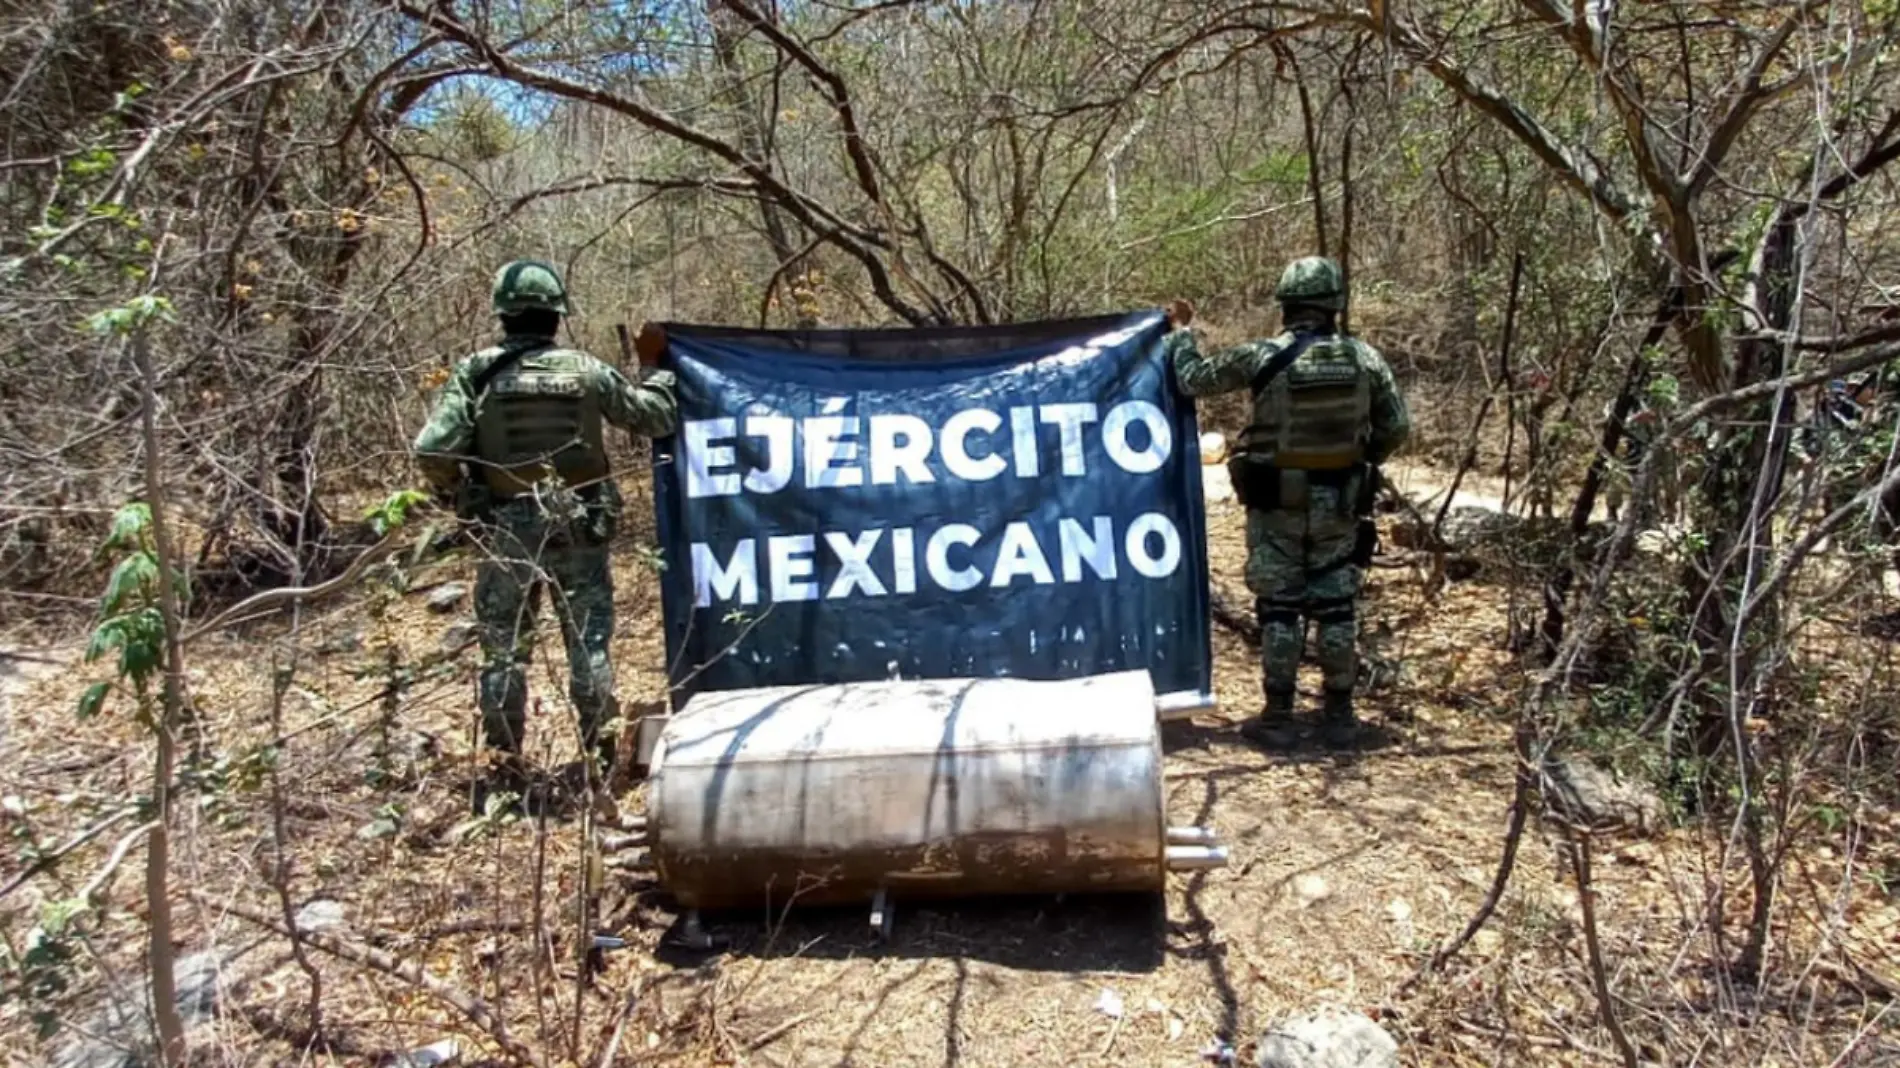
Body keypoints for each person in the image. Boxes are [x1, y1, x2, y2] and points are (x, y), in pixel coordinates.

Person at [412, 259, 676, 794]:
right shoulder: (586, 369)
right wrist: (659, 369)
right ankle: (602, 767)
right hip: (577, 525)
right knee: (589, 645)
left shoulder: (476, 372)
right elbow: (656, 418)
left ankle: (504, 769)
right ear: (557, 315)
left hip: (505, 528)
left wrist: (462, 494)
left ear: (503, 315)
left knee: (504, 651)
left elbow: (432, 448)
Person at [1164, 256, 1411, 747]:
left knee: (1280, 609)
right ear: (1335, 305)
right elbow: (1396, 426)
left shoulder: (1263, 355)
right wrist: (1360, 462)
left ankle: (1278, 717)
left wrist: (1181, 335)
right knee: (1337, 607)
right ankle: (1340, 717)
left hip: (1276, 504)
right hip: (1341, 502)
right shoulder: (1366, 359)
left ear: (1286, 307)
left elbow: (1192, 379)